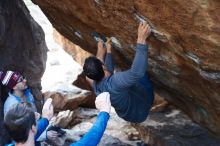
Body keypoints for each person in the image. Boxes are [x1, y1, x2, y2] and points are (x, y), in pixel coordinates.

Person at [83, 22, 154, 123]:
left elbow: (107, 72)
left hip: (127, 114)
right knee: (142, 77)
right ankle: (148, 99)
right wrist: (141, 39)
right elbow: (137, 72)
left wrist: (108, 52)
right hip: (141, 111)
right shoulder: (115, 82)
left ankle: (101, 46)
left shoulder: (95, 84)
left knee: (127, 79)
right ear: (103, 67)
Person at [4, 92, 111, 146]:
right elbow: (86, 143)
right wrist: (104, 112)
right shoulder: (29, 130)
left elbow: (28, 131)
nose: (37, 115)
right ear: (33, 128)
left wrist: (46, 118)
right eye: (35, 117)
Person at [0, 70, 58, 142]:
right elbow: (19, 133)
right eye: (20, 80)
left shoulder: (28, 94)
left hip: (35, 132)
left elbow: (34, 119)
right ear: (14, 87)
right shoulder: (11, 105)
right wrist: (44, 135)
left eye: (23, 77)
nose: (25, 80)